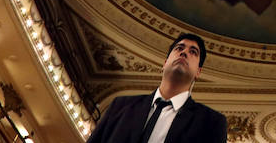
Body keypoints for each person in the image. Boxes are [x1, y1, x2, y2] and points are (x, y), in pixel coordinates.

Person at [87, 33, 227, 143]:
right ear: (165, 63)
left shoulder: (211, 122)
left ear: (198, 72)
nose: (184, 53)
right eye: (179, 48)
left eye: (193, 52)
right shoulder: (121, 106)